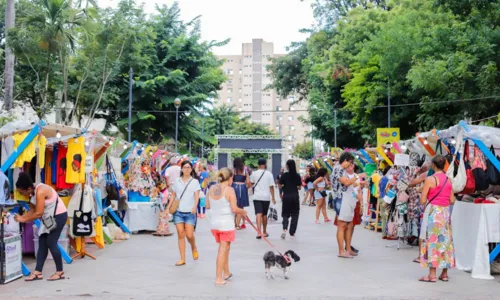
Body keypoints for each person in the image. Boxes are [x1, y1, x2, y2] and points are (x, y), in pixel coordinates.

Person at [14, 172, 68, 281]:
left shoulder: (40, 191)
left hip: (59, 215)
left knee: (51, 242)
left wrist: (22, 219)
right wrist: (21, 217)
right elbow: (32, 211)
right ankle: (38, 272)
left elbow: (38, 213)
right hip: (48, 218)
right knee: (42, 242)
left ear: (28, 188)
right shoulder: (32, 193)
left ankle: (60, 272)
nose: (22, 194)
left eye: (22, 192)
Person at [206, 168, 247, 286]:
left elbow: (208, 205)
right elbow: (234, 209)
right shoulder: (229, 190)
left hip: (215, 223)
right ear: (229, 178)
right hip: (226, 223)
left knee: (225, 248)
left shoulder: (212, 188)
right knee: (222, 250)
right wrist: (243, 212)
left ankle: (226, 272)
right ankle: (219, 278)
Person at [418, 155, 455, 282]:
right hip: (445, 213)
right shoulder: (448, 179)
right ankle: (444, 273)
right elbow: (452, 200)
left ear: (433, 165)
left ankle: (432, 274)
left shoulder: (430, 179)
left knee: (432, 240)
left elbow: (423, 201)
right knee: (445, 241)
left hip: (433, 212)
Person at [170, 160, 201, 266]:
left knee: (189, 235)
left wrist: (195, 207)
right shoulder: (177, 181)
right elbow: (173, 196)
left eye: (189, 167)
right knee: (180, 234)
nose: (187, 169)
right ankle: (182, 258)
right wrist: (168, 208)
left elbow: (197, 196)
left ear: (191, 169)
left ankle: (193, 246)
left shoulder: (195, 182)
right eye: (185, 167)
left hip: (190, 213)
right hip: (178, 212)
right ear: (182, 169)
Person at [330, 152, 358, 258]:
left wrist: (358, 182)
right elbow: (346, 183)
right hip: (341, 199)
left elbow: (347, 182)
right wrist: (356, 176)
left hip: (345, 199)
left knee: (349, 225)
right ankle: (341, 251)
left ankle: (348, 249)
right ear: (345, 160)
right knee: (342, 225)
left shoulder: (342, 170)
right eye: (350, 163)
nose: (350, 166)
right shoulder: (338, 169)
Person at [250, 158, 276, 239]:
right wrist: (273, 198)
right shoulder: (269, 174)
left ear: (258, 164)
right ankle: (264, 232)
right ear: (265, 164)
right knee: (264, 214)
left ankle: (258, 232)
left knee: (258, 213)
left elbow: (251, 183)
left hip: (257, 196)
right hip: (266, 197)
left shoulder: (254, 173)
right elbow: (271, 187)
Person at [279, 160, 302, 239]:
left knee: (285, 214)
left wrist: (281, 191)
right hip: (295, 196)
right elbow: (299, 187)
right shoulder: (297, 175)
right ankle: (292, 232)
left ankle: (284, 229)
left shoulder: (284, 175)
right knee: (295, 214)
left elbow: (280, 185)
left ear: (287, 166)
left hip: (286, 196)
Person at [378, 166, 397, 240]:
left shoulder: (381, 179)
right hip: (387, 199)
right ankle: (389, 233)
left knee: (383, 217)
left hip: (381, 198)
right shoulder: (390, 180)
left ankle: (383, 234)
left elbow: (379, 190)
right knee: (389, 217)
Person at [232, 157, 250, 230]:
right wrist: (246, 187)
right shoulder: (245, 171)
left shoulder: (233, 170)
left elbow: (230, 180)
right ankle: (238, 225)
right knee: (240, 207)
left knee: (233, 206)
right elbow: (248, 182)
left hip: (234, 187)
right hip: (242, 188)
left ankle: (233, 223)